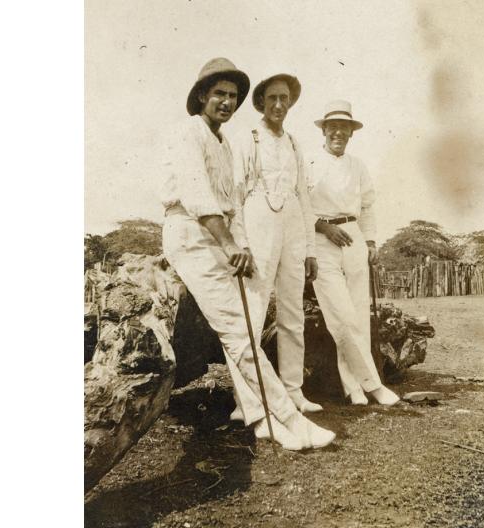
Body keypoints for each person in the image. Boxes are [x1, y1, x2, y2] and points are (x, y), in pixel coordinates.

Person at [160, 58, 335, 450]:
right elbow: (197, 195)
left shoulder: (222, 142)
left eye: (233, 96)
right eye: (219, 93)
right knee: (240, 331)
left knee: (243, 329)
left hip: (217, 236)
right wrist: (228, 244)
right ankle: (284, 420)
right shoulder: (187, 133)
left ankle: (264, 416)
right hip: (189, 234)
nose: (226, 102)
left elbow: (232, 204)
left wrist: (240, 244)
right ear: (202, 95)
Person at [227, 72, 323, 423]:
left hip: (293, 225)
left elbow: (304, 197)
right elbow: (235, 195)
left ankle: (293, 390)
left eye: (285, 99)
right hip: (258, 221)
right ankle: (247, 398)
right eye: (272, 99)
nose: (279, 105)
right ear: (262, 103)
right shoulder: (247, 140)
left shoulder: (295, 144)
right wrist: (241, 243)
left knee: (292, 310)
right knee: (252, 311)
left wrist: (310, 248)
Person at [307, 100, 399, 406]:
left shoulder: (357, 165)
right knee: (341, 317)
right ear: (324, 130)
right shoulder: (307, 161)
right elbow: (297, 205)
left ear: (351, 133)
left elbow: (369, 205)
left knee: (358, 316)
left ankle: (353, 387)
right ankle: (373, 385)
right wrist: (322, 226)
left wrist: (371, 242)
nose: (338, 133)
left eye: (344, 129)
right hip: (322, 240)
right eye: (332, 127)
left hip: (354, 237)